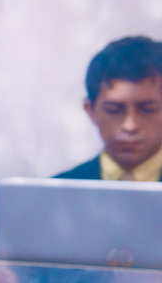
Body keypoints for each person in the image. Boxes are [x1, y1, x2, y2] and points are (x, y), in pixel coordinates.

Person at [56, 36, 162, 181]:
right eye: (113, 110)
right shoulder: (56, 191)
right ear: (90, 111)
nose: (130, 126)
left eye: (148, 109)